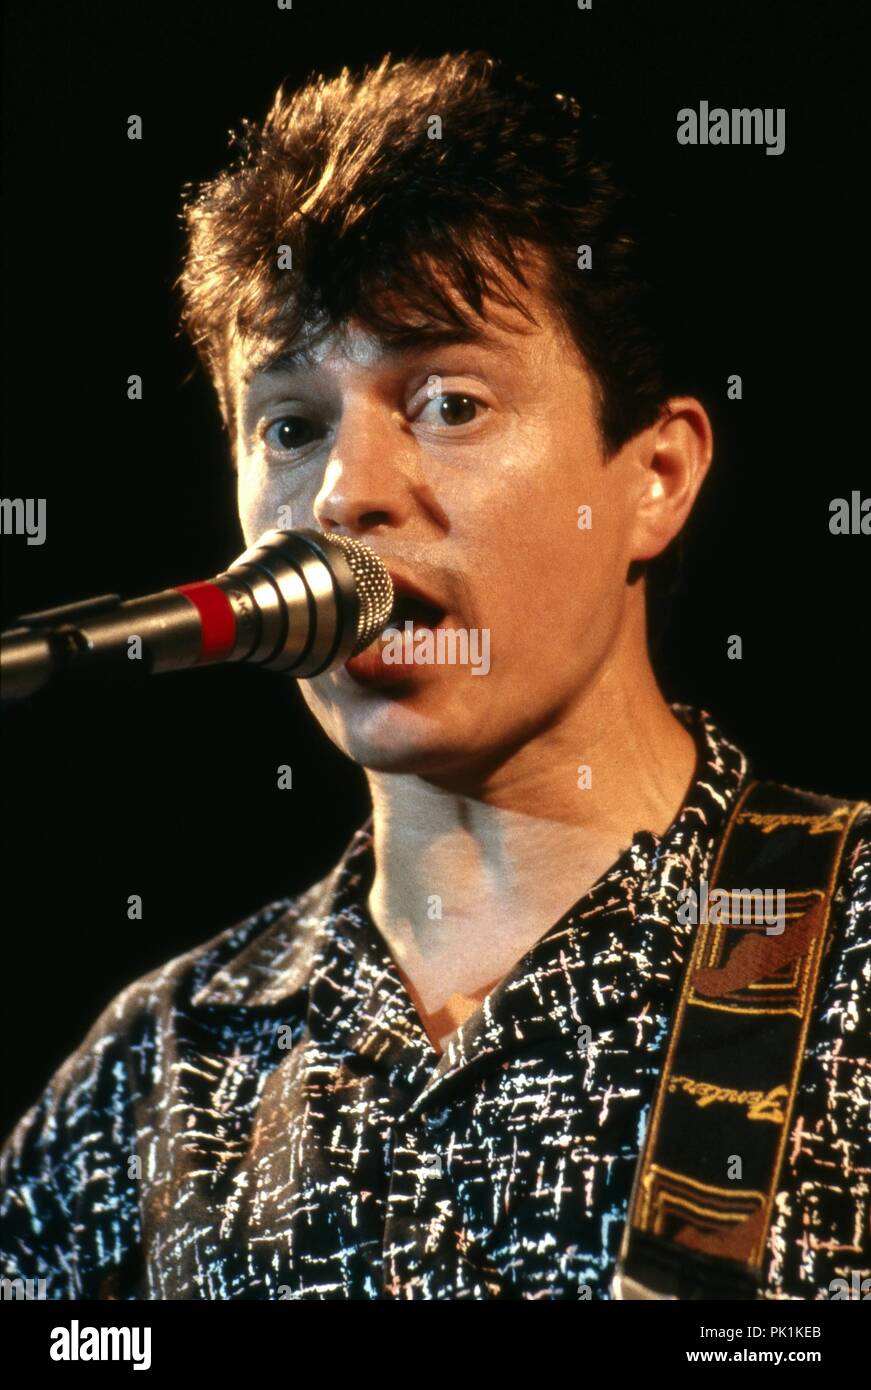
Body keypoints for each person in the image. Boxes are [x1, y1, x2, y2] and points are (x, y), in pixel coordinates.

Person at [1, 51, 867, 1301]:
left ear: (656, 477)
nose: (345, 492)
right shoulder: (152, 1075)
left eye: (448, 401)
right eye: (292, 425)